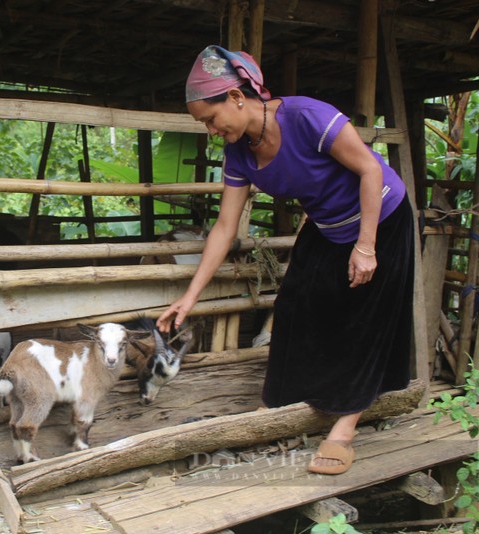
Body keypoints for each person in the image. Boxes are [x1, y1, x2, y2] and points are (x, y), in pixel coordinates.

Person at [156, 45, 414, 475]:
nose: (210, 130)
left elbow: (370, 170)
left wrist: (366, 247)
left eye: (211, 119)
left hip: (380, 218)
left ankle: (344, 428)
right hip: (328, 225)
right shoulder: (239, 152)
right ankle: (278, 405)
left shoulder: (308, 117)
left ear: (237, 98)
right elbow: (224, 227)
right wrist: (190, 296)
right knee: (294, 304)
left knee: (366, 316)